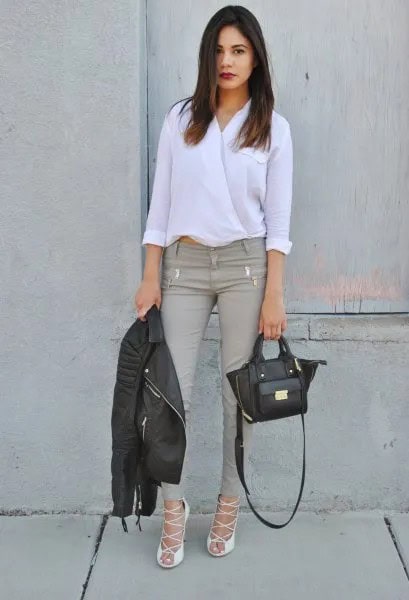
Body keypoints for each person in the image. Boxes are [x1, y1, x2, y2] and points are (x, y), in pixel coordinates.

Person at [134, 5, 293, 568]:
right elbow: (160, 207)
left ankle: (228, 501)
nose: (227, 61)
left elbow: (279, 223)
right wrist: (150, 274)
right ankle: (174, 509)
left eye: (239, 50)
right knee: (171, 396)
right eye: (219, 50)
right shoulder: (181, 120)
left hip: (247, 269)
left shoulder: (273, 128)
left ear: (254, 58)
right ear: (208, 56)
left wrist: (275, 294)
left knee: (236, 399)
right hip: (183, 267)